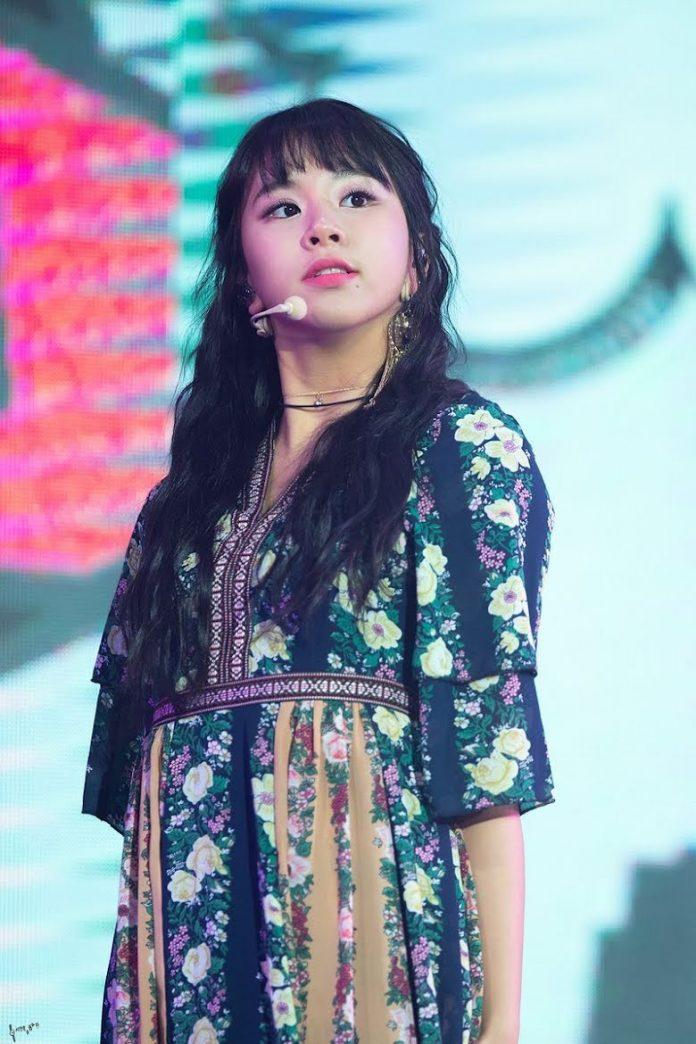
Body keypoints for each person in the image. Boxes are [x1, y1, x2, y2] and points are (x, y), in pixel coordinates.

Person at [82, 97, 556, 1044]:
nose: (323, 225)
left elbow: (484, 761)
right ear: (241, 276)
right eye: (283, 207)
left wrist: (501, 1024)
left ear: (417, 264)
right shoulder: (183, 501)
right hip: (191, 948)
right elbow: (139, 783)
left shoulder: (459, 449)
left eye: (357, 197)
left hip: (369, 931)